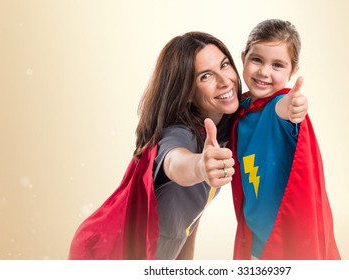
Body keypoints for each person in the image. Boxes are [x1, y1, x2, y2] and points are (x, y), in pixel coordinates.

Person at [68, 32, 241, 260]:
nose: (224, 80)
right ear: (187, 92)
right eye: (206, 76)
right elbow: (175, 161)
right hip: (103, 252)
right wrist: (199, 166)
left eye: (225, 65)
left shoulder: (220, 136)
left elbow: (190, 220)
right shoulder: (180, 134)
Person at [229, 19, 340, 259]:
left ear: (293, 72)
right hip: (256, 238)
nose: (264, 71)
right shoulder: (244, 106)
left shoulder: (278, 107)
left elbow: (286, 106)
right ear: (243, 58)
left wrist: (295, 105)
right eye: (257, 59)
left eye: (277, 65)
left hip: (284, 243)